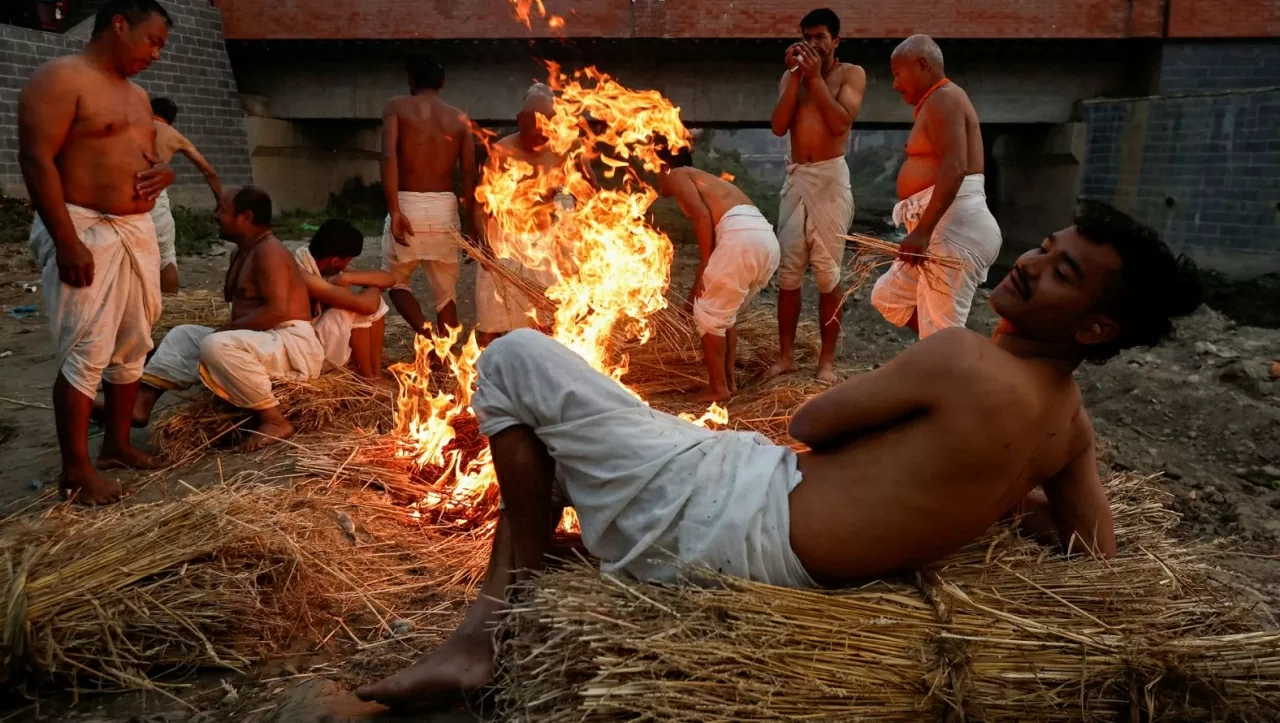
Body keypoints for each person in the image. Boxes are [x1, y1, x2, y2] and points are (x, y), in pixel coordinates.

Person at [353, 201, 1204, 709]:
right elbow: (1096, 546)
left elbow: (813, 420)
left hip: (741, 516)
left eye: (1061, 273)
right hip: (754, 508)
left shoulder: (961, 357)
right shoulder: (1068, 424)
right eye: (1043, 249)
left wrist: (950, 466)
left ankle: (482, 631)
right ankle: (537, 563)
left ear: (1095, 327)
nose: (1026, 265)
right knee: (578, 424)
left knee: (513, 362)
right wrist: (1008, 496)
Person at [20, 0, 175, 505]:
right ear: (119, 24)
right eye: (152, 40)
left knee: (134, 340)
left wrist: (162, 174)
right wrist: (66, 239)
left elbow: (146, 156)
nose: (156, 53)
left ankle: (116, 444)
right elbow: (37, 159)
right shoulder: (61, 79)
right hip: (83, 227)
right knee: (85, 347)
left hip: (135, 230)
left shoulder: (136, 95)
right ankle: (76, 469)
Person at [128, 187, 323, 447]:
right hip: (259, 339)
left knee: (215, 344)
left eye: (222, 210)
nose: (215, 215)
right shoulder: (242, 251)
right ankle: (141, 404)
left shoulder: (270, 252)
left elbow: (275, 312)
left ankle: (274, 419)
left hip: (289, 343)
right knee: (183, 334)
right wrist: (227, 331)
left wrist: (225, 330)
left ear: (246, 217)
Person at [870, 35, 1002, 339]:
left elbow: (955, 167)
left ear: (921, 65)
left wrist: (923, 231)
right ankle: (949, 350)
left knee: (941, 334)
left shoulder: (945, 98)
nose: (894, 85)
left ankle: (949, 357)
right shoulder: (938, 101)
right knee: (887, 296)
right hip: (942, 227)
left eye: (897, 75)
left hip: (951, 229)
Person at [767, 8, 865, 386]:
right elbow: (778, 127)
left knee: (828, 274)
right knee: (788, 273)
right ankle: (786, 357)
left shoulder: (851, 74)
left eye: (821, 38)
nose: (813, 45)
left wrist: (815, 78)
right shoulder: (792, 77)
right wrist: (796, 77)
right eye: (808, 38)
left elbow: (841, 121)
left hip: (830, 180)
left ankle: (826, 362)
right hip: (797, 179)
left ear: (835, 41)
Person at [658, 153, 780, 402]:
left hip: (741, 238)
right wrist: (691, 301)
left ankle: (718, 388)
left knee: (711, 318)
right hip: (765, 242)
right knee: (724, 314)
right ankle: (729, 384)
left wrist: (706, 262)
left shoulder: (677, 174)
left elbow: (702, 218)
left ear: (661, 165)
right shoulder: (705, 181)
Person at [473, 85, 578, 347]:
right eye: (534, 132)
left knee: (548, 320)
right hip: (504, 243)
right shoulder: (501, 151)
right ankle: (487, 375)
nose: (540, 140)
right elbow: (481, 204)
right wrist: (485, 245)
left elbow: (585, 196)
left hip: (545, 245)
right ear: (520, 120)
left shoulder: (561, 151)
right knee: (492, 321)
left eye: (546, 132)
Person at [380, 56, 476, 337]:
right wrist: (471, 225)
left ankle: (428, 337)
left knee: (396, 284)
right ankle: (445, 358)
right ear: (442, 83)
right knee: (446, 294)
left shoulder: (396, 106)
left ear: (410, 82)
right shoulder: (459, 119)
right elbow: (469, 173)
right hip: (444, 208)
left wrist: (395, 210)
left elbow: (388, 156)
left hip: (407, 203)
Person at [294, 218, 394, 379]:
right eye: (348, 260)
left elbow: (388, 279)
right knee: (348, 310)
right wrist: (374, 286)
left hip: (315, 338)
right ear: (335, 261)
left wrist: (350, 279)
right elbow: (366, 306)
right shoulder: (302, 273)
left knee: (373, 302)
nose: (349, 264)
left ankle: (375, 374)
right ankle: (368, 379)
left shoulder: (321, 262)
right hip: (302, 350)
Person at [149, 97, 222, 294]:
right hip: (154, 198)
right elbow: (209, 172)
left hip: (122, 197)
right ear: (172, 119)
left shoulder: (131, 126)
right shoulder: (175, 136)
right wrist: (221, 202)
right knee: (166, 256)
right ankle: (171, 306)